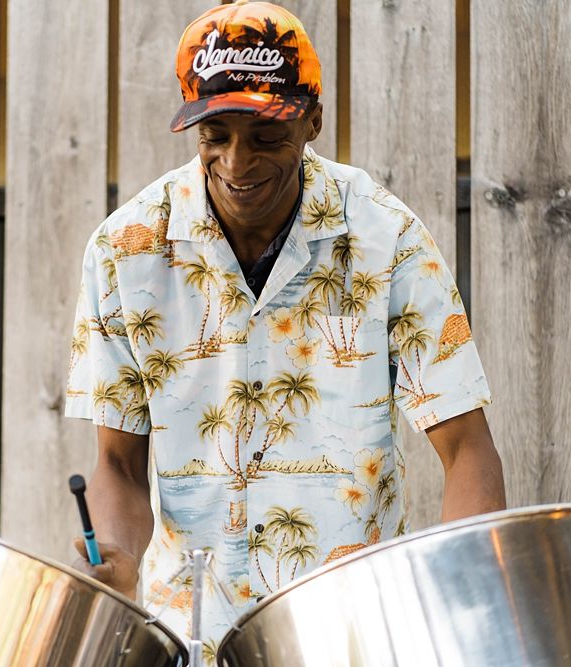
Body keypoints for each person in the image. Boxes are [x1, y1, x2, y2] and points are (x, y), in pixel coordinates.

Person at [65, 0, 505, 649]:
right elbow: (117, 464)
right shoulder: (124, 251)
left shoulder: (387, 238)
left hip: (355, 631)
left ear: (312, 121)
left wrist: (465, 613)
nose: (237, 165)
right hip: (190, 631)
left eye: (266, 137)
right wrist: (120, 557)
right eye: (216, 137)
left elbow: (465, 447)